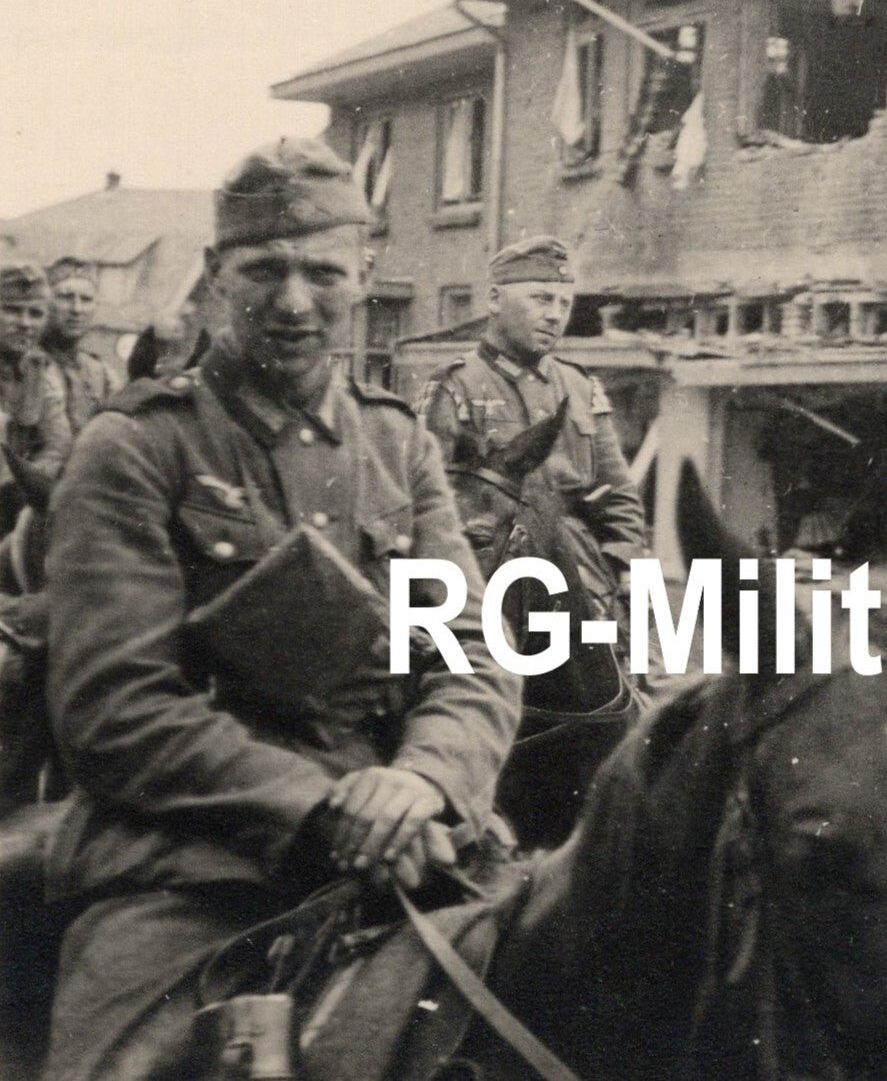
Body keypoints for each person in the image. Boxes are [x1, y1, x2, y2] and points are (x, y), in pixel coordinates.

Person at [39, 137, 520, 1080]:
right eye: (264, 270)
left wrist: (424, 780)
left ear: (365, 276)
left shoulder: (399, 441)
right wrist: (326, 806)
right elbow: (114, 706)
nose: (294, 302)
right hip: (194, 865)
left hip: (417, 842)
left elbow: (472, 652)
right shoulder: (137, 447)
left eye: (324, 273)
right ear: (218, 275)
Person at [419, 235, 648, 564]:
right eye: (542, 299)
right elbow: (426, 498)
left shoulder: (581, 388)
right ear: (495, 299)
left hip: (577, 561)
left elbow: (619, 495)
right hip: (488, 561)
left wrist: (623, 562)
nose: (555, 315)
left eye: (564, 303)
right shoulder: (455, 386)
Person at [0, 263, 71, 482]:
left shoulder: (35, 369)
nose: (25, 323)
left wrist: (21, 481)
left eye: (35, 313)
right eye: (12, 310)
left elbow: (59, 445)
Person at [42, 257, 125, 431]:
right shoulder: (22, 365)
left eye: (86, 299)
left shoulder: (102, 374)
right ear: (45, 302)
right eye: (65, 297)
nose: (76, 309)